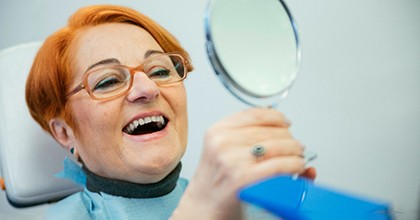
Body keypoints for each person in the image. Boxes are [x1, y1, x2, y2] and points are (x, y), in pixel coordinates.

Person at [25, 4, 316, 219]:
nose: (147, 88)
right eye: (109, 80)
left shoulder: (241, 204)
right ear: (65, 132)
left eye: (160, 70)